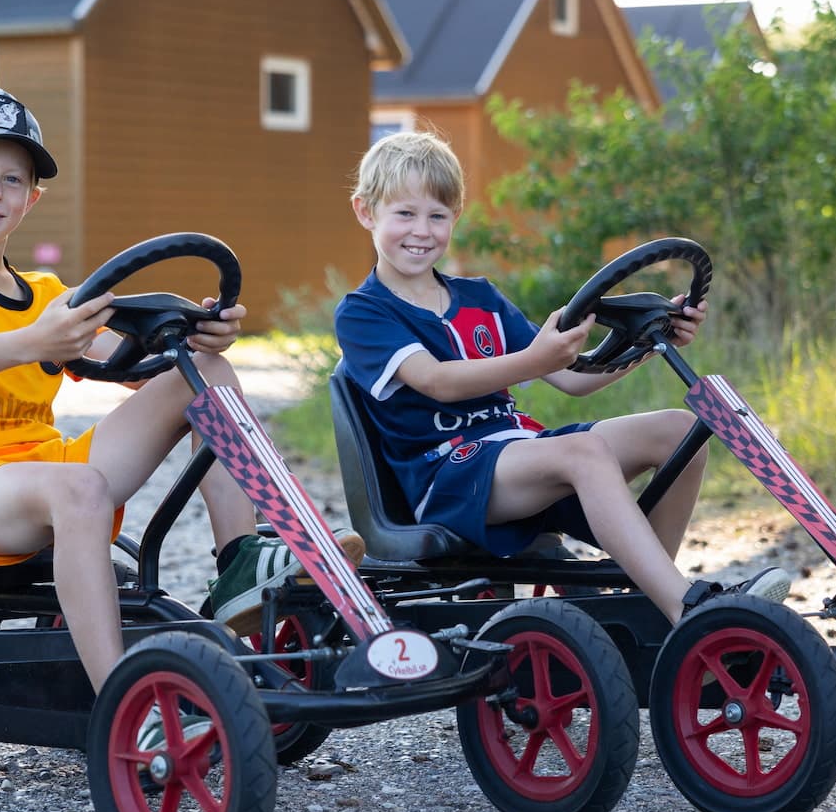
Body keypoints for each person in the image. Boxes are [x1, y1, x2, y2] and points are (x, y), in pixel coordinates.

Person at [0, 88, 362, 722]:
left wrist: (193, 333)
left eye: (12, 179)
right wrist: (36, 340)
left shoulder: (48, 294)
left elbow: (133, 363)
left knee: (205, 373)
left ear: (31, 199)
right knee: (76, 489)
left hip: (49, 466)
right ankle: (122, 705)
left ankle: (240, 560)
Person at [333, 131, 788, 625]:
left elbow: (573, 378)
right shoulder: (363, 312)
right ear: (365, 212)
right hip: (447, 477)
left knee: (680, 430)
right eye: (405, 214)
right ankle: (686, 608)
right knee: (583, 451)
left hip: (516, 453)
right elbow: (437, 381)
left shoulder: (480, 297)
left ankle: (648, 601)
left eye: (437, 216)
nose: (421, 230)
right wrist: (536, 359)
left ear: (454, 218)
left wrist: (653, 337)